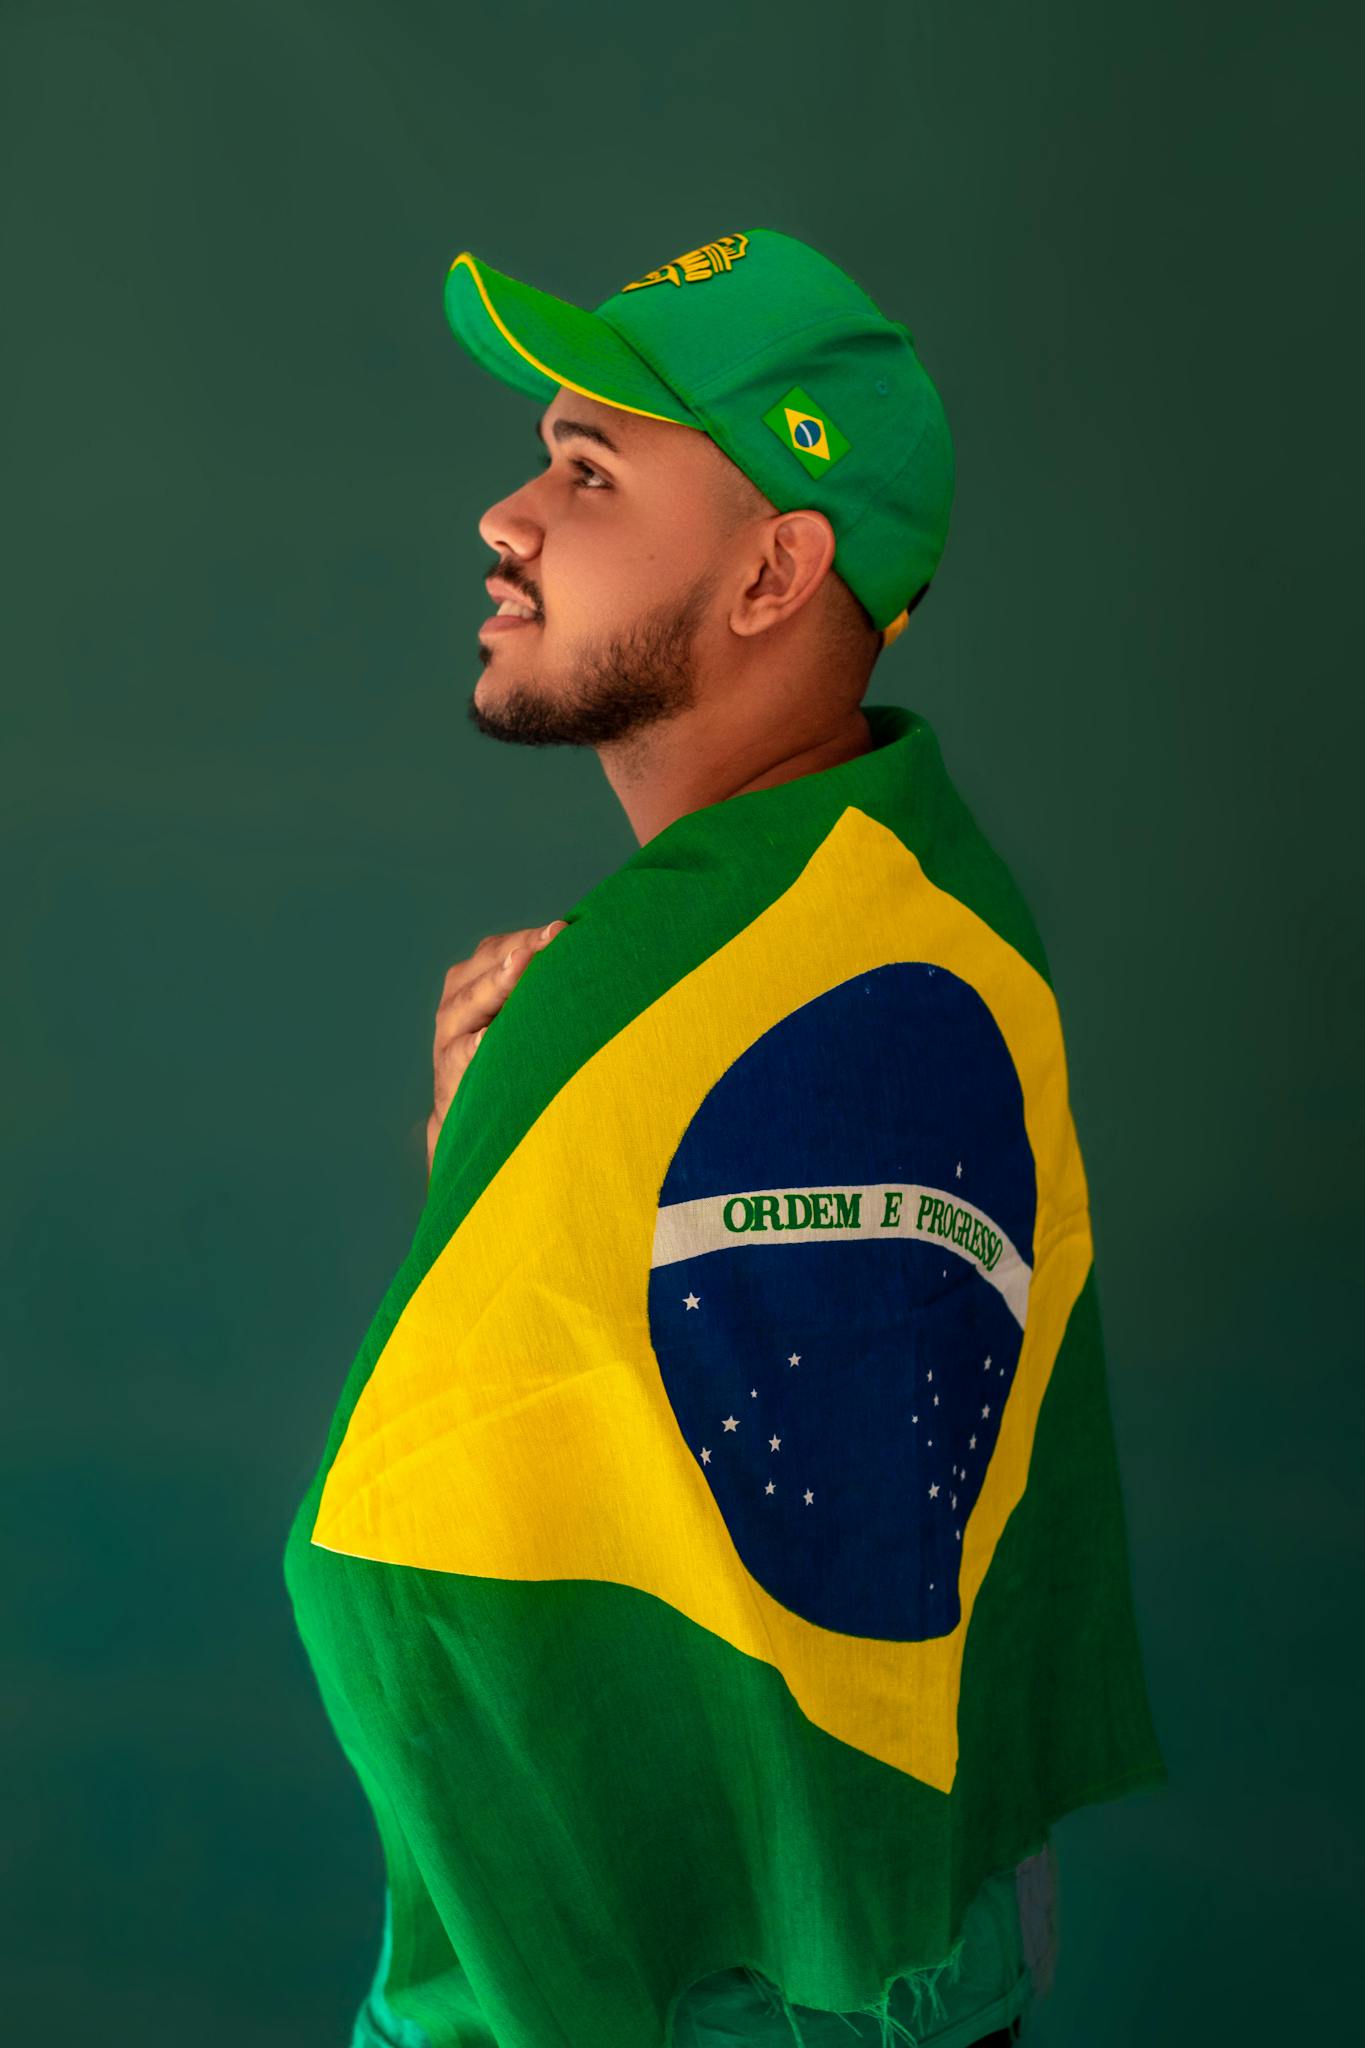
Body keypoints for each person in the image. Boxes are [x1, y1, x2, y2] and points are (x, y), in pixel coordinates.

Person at [284, 228, 1165, 2048]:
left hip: (713, 1998)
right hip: (860, 1963)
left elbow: (417, 1558)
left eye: (589, 474)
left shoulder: (792, 967)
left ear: (776, 569)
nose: (507, 516)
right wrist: (509, 1162)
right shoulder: (874, 911)